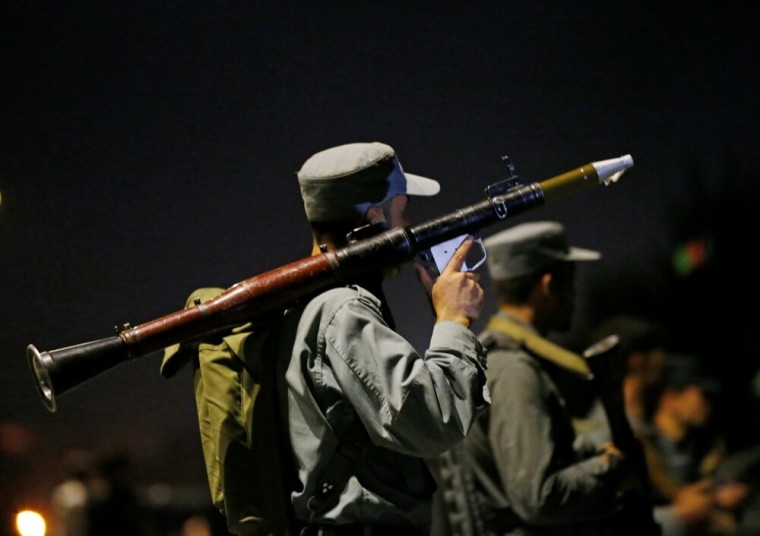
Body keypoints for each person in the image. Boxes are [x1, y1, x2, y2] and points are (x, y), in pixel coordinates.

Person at [184, 141, 487, 536]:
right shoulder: (342, 310)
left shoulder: (302, 300)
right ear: (376, 215)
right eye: (401, 211)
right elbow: (431, 422)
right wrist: (453, 320)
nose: (408, 226)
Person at [440, 221, 655, 535]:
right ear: (548, 285)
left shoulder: (493, 359)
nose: (574, 295)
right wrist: (611, 465)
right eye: (570, 283)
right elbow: (538, 497)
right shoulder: (514, 370)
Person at [639, 354, 754, 536]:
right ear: (671, 397)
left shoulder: (700, 446)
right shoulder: (645, 446)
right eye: (703, 396)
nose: (709, 405)